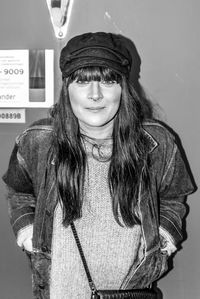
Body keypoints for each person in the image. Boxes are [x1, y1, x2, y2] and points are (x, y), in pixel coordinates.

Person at [2, 32, 196, 299]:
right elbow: (19, 191)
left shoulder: (157, 142)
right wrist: (27, 230)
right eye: (82, 81)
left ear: (123, 88)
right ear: (67, 88)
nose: (95, 94)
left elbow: (174, 197)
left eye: (108, 80)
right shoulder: (38, 141)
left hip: (129, 291)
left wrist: (164, 238)